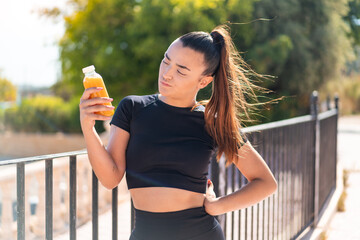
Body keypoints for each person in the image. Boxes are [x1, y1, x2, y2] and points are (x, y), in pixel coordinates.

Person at [79, 24, 278, 240]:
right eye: (166, 61)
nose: (167, 73)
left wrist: (217, 206)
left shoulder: (213, 122)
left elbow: (265, 182)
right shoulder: (132, 108)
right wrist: (88, 128)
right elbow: (110, 178)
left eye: (181, 70)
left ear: (204, 81)